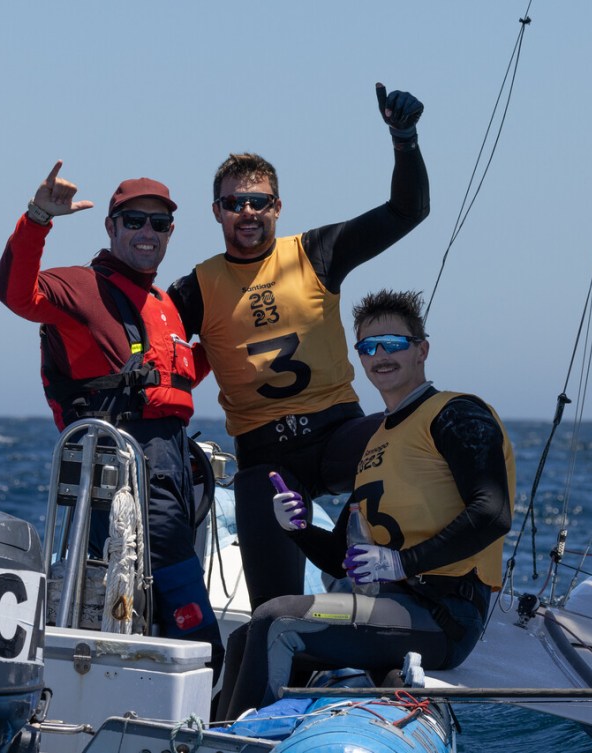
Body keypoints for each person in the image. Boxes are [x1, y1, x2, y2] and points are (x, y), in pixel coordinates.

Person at [168, 84, 431, 610]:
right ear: (216, 212)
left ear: (278, 207)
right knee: (273, 610)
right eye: (234, 203)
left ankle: (414, 609)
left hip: (338, 432)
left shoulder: (316, 251)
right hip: (266, 459)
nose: (247, 211)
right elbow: (146, 339)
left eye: (259, 202)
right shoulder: (195, 288)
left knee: (409, 443)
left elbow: (408, 211)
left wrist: (405, 140)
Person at [214, 289, 515, 720]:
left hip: (443, 615)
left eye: (394, 343)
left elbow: (492, 512)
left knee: (276, 620)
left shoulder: (457, 414)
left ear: (421, 350)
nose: (381, 355)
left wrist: (401, 563)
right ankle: (221, 736)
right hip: (391, 608)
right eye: (368, 347)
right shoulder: (378, 441)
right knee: (247, 635)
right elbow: (340, 560)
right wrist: (297, 528)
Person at [0, 161, 223, 674]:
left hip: (174, 470)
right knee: (195, 624)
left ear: (170, 233)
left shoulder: (165, 304)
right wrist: (37, 218)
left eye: (159, 223)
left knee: (159, 606)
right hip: (121, 472)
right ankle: (207, 696)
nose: (147, 232)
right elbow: (15, 293)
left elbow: (172, 385)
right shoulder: (80, 286)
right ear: (112, 227)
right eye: (135, 220)